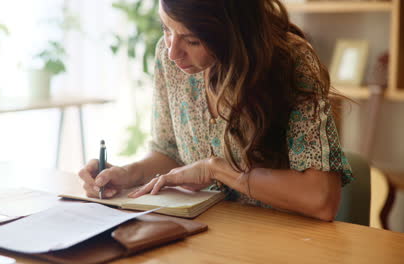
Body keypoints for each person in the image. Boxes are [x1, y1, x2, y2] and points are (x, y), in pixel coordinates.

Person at [78, 0, 354, 221]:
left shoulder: (291, 61)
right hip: (206, 231)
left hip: (277, 238)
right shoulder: (168, 56)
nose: (173, 52)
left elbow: (321, 199)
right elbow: (169, 152)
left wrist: (217, 170)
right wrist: (128, 173)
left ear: (235, 32)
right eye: (166, 29)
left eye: (193, 40)